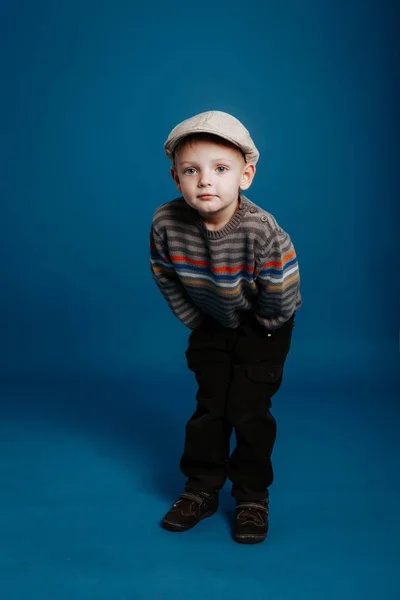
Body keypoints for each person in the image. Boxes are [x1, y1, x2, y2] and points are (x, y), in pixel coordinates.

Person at [150, 110, 302, 544]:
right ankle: (201, 489)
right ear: (176, 177)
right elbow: (164, 272)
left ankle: (252, 496)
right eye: (191, 170)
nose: (204, 181)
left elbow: (281, 291)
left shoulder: (261, 230)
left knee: (248, 409)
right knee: (210, 407)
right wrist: (197, 320)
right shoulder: (166, 222)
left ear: (246, 175)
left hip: (265, 322)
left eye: (220, 169)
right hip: (212, 319)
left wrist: (263, 329)